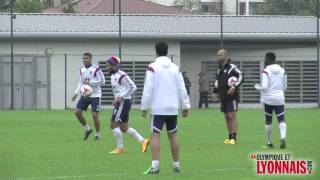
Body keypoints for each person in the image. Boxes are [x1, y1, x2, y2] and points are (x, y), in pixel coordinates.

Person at [141, 42, 190, 174]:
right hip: (172, 108)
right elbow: (182, 87)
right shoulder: (175, 68)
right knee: (173, 136)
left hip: (158, 108)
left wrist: (144, 107)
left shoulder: (152, 67)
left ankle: (155, 166)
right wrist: (186, 106)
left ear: (155, 51)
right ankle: (176, 165)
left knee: (155, 135)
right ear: (167, 51)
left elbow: (148, 88)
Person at [106, 55, 150, 154]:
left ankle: (120, 148)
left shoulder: (122, 75)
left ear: (114, 65)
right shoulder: (113, 76)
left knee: (113, 124)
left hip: (123, 102)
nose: (107, 68)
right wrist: (115, 99)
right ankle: (143, 141)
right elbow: (118, 90)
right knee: (123, 127)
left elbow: (133, 87)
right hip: (121, 102)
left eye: (108, 65)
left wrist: (122, 97)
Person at [254, 52, 287, 149]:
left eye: (265, 58)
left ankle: (270, 142)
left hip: (268, 99)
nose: (264, 60)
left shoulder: (266, 71)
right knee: (281, 119)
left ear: (268, 59)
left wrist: (257, 87)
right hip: (279, 98)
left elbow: (264, 86)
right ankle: (283, 138)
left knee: (268, 121)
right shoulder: (282, 70)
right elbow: (285, 87)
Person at [72, 52, 105, 140]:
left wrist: (90, 83)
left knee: (94, 115)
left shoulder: (96, 69)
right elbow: (80, 82)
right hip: (85, 95)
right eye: (83, 58)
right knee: (77, 112)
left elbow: (103, 81)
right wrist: (76, 93)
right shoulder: (82, 70)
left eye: (86, 58)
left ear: (90, 59)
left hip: (95, 95)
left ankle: (97, 134)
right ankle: (87, 129)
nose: (84, 60)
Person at [213, 49, 243, 145]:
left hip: (232, 97)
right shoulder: (219, 68)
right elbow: (217, 81)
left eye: (220, 55)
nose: (218, 57)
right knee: (226, 117)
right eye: (217, 55)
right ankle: (230, 137)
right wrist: (215, 92)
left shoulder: (232, 67)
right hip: (223, 96)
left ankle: (234, 137)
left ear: (226, 56)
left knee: (231, 116)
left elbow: (241, 76)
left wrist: (234, 87)